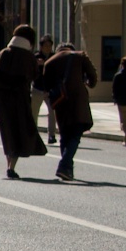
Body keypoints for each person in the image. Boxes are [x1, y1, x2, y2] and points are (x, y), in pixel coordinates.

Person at [0, 22, 46, 181]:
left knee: (8, 132)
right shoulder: (29, 57)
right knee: (21, 131)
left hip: (3, 100)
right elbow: (35, 76)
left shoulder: (3, 54)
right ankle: (11, 166)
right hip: (21, 100)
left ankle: (9, 163)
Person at [41, 39, 97, 179]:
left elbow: (46, 85)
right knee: (76, 134)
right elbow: (93, 77)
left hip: (60, 101)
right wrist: (87, 83)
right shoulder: (80, 56)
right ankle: (65, 165)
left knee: (65, 134)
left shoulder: (49, 62)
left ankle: (67, 169)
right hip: (78, 100)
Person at [33, 35, 56, 145]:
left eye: (50, 45)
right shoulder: (36, 56)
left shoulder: (54, 57)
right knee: (34, 113)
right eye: (45, 45)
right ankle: (33, 134)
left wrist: (46, 63)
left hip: (49, 90)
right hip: (37, 88)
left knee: (52, 112)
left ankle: (51, 135)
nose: (48, 48)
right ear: (41, 47)